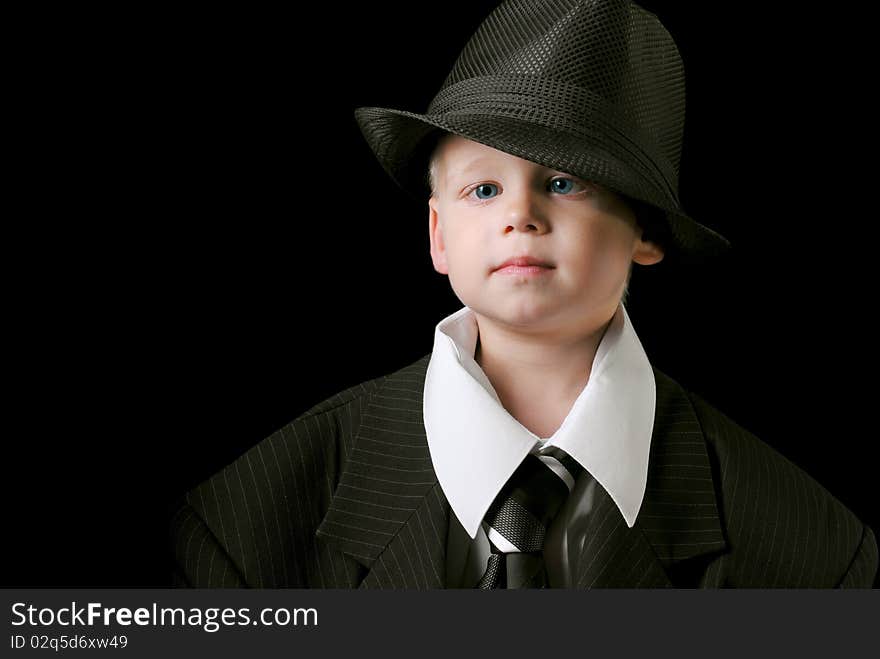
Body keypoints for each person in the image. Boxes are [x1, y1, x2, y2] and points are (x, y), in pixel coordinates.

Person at [170, 0, 877, 588]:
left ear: (647, 232)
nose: (521, 215)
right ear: (438, 235)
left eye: (565, 181)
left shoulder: (809, 550)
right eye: (484, 188)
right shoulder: (245, 522)